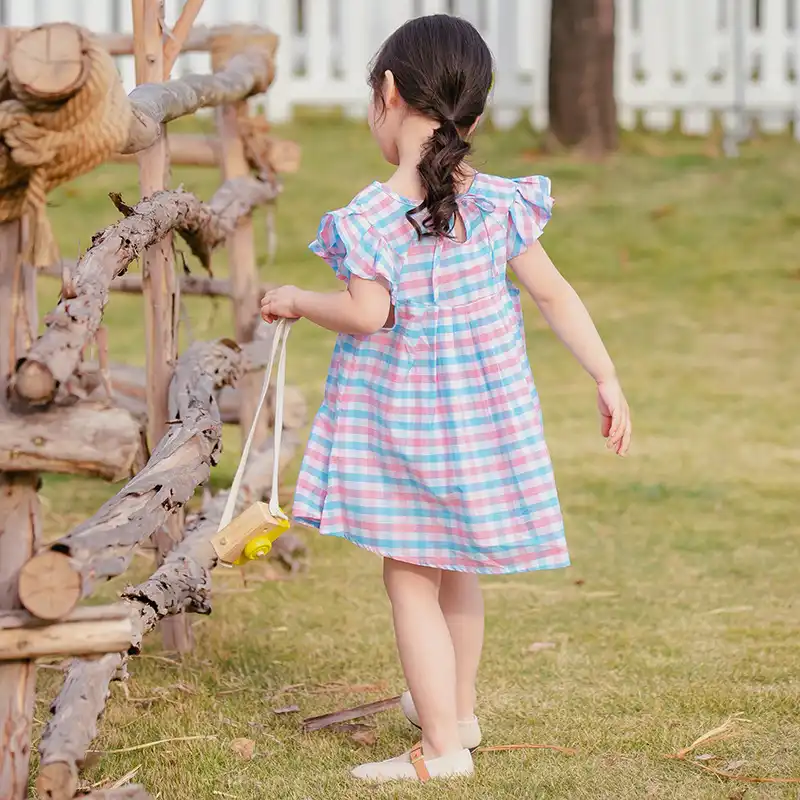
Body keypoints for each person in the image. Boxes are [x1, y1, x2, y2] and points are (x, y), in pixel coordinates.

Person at [260, 13, 631, 784]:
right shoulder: (497, 204)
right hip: (484, 426)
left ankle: (439, 750)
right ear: (475, 111)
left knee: (409, 575)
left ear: (387, 94)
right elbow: (556, 297)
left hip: (408, 429)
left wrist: (296, 296)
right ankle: (456, 710)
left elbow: (369, 315)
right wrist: (606, 375)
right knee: (456, 567)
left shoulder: (367, 219)